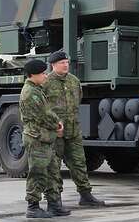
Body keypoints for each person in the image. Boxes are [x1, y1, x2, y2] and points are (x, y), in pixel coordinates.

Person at [45, 49, 106, 207]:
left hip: (73, 131)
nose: (65, 65)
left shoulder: (74, 81)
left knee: (79, 163)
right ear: (53, 65)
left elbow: (78, 100)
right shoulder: (45, 83)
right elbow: (42, 108)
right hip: (54, 132)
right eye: (62, 63)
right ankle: (55, 199)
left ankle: (85, 195)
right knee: (53, 166)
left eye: (67, 63)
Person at [19, 59, 71, 219]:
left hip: (45, 138)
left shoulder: (37, 89)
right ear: (33, 75)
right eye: (42, 73)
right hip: (37, 138)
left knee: (52, 171)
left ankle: (54, 205)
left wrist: (57, 123)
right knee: (38, 172)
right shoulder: (31, 93)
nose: (45, 76)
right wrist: (57, 124)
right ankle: (33, 206)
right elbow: (44, 115)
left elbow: (48, 111)